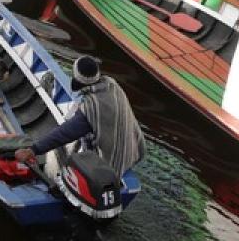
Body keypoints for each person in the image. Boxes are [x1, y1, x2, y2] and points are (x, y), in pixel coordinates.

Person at [15, 56, 145, 177]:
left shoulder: (91, 108)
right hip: (134, 152)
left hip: (112, 167)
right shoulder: (112, 85)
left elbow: (64, 134)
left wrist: (33, 150)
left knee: (65, 150)